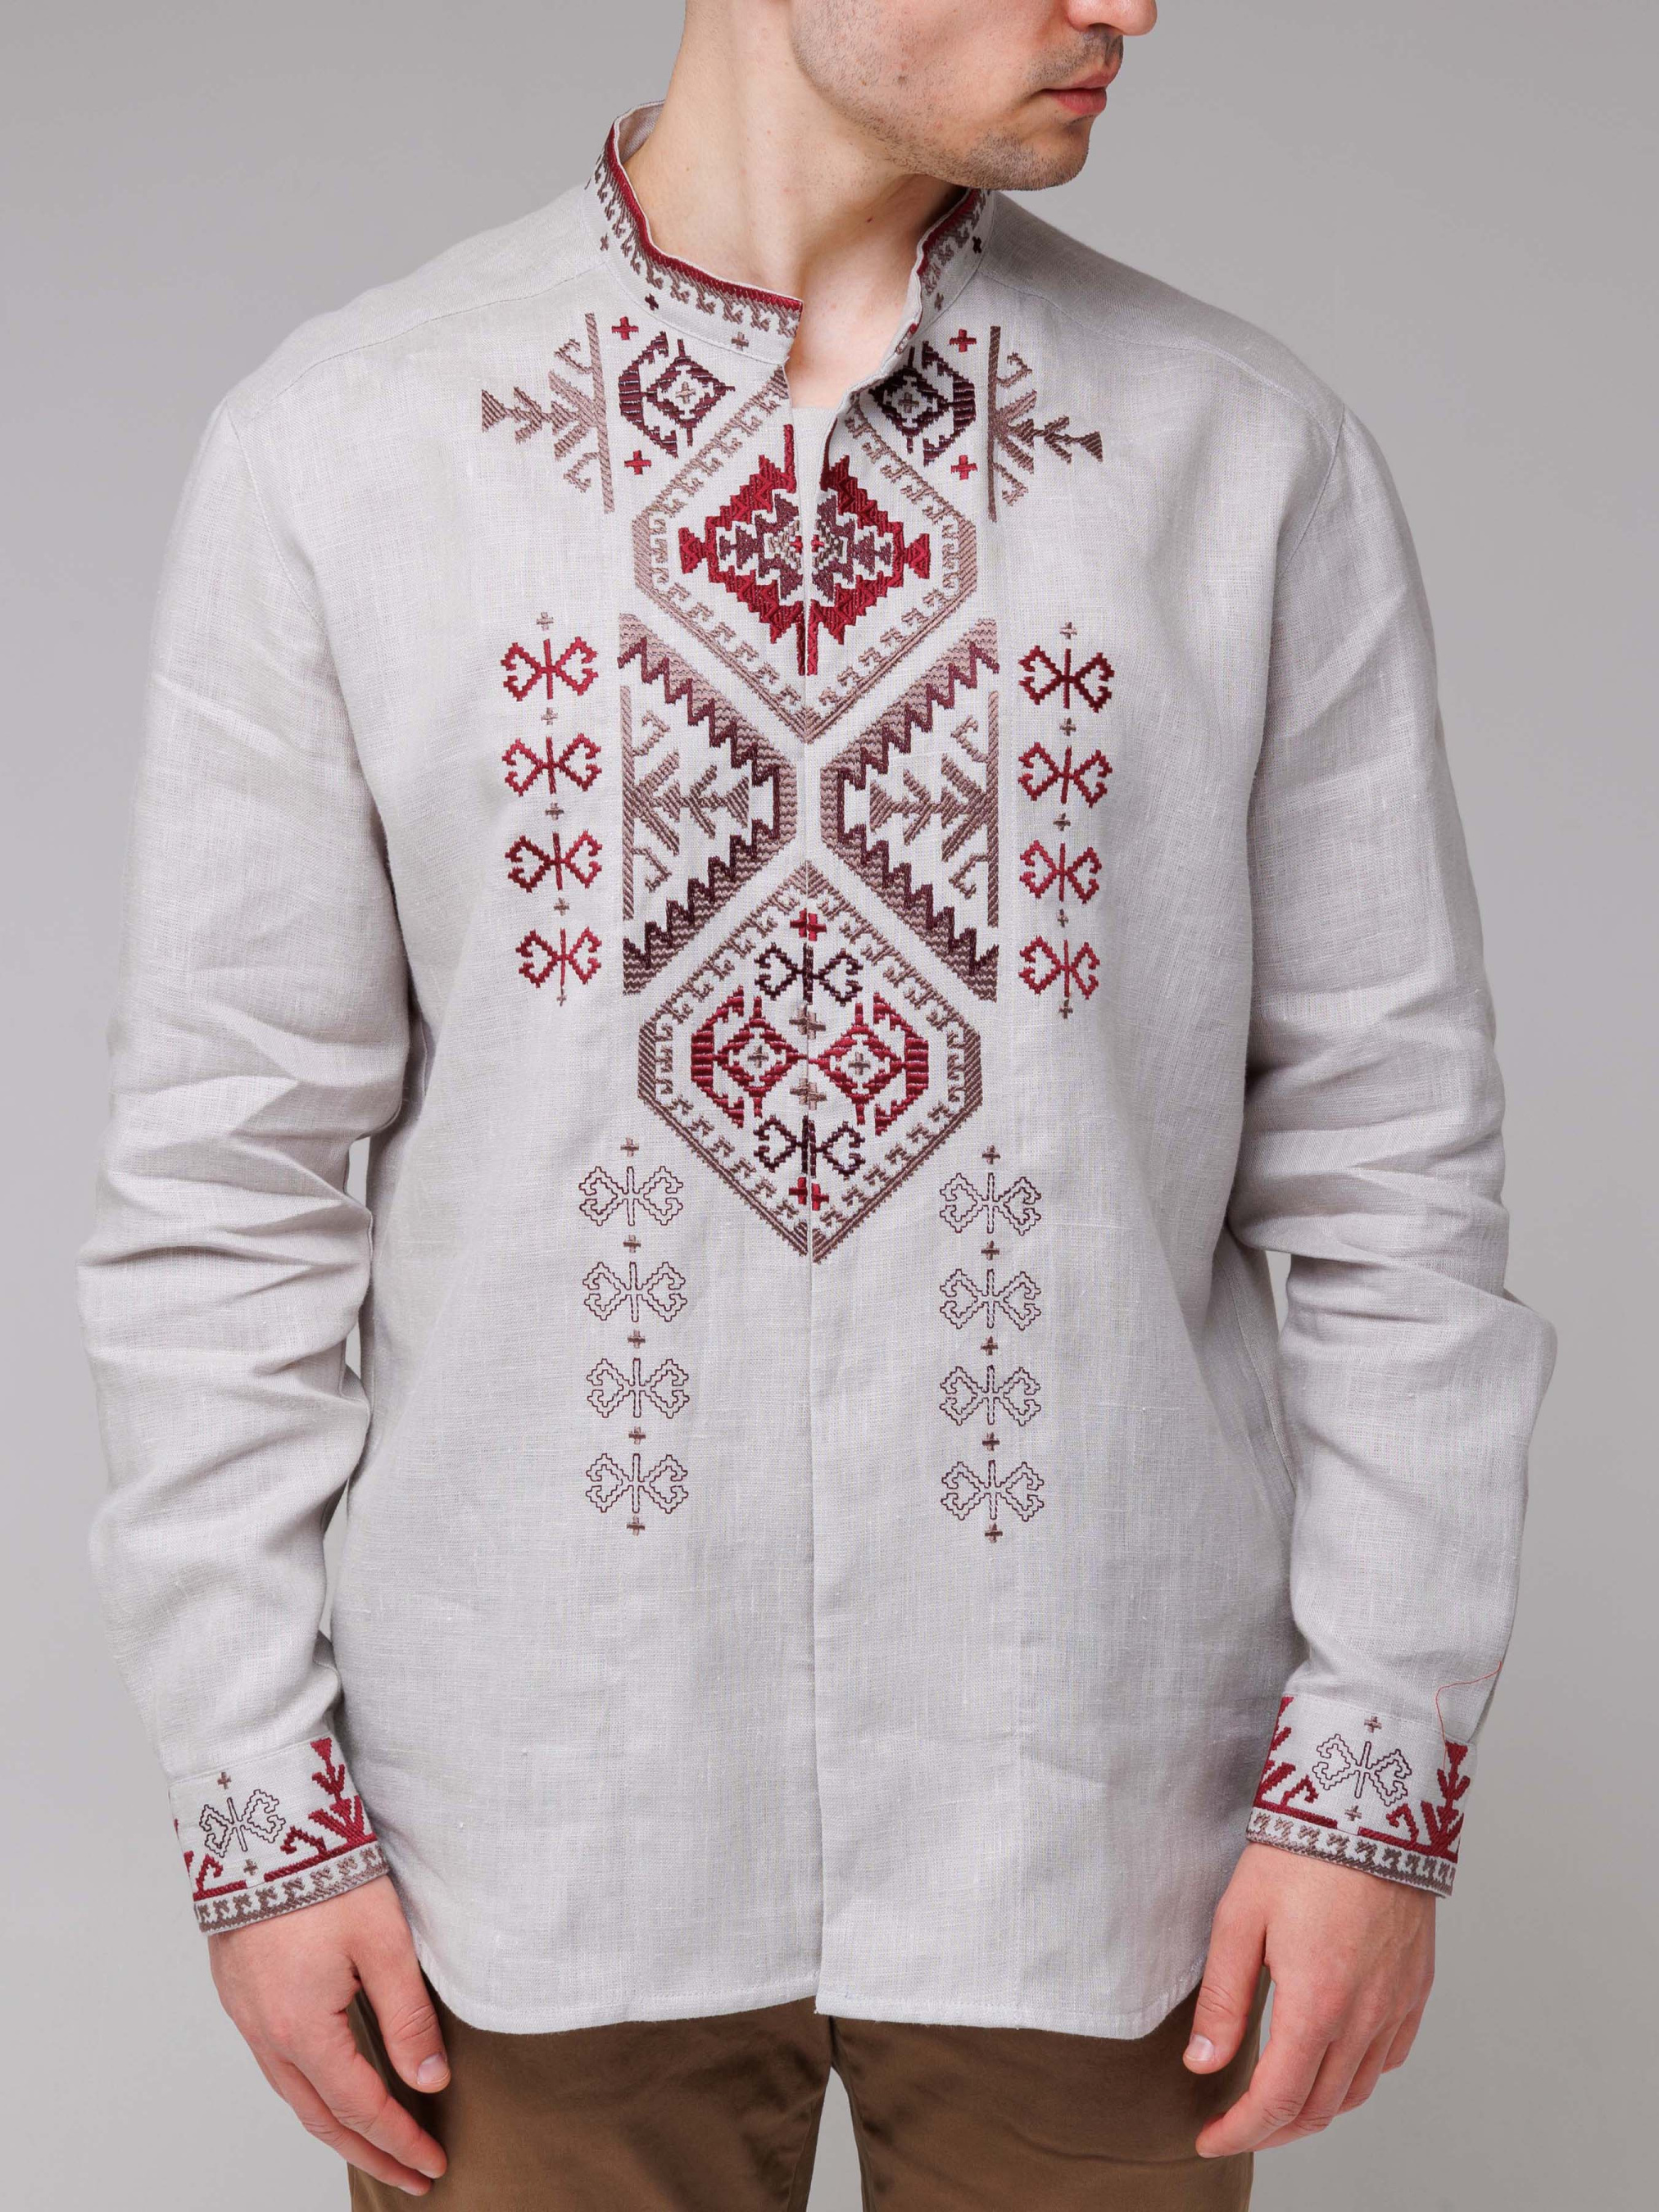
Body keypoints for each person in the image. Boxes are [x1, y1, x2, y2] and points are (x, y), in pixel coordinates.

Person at [75, 2, 1557, 2205]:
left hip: (1103, 1819)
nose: (1128, 4)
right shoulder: (354, 444)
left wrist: (1371, 1779)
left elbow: (1387, 1171)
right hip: (524, 1830)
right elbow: (228, 1177)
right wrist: (257, 1804)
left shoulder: (1238, 456)